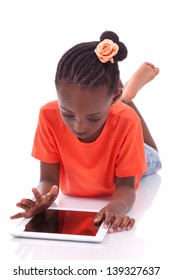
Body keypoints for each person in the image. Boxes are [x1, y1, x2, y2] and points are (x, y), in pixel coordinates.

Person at [10, 31, 161, 233]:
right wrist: (43, 200)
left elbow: (125, 188)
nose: (79, 127)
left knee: (154, 159)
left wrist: (116, 207)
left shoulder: (127, 122)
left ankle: (127, 98)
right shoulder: (48, 115)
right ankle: (121, 97)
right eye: (68, 114)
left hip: (128, 142)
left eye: (93, 118)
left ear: (112, 98)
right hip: (111, 111)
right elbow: (48, 180)